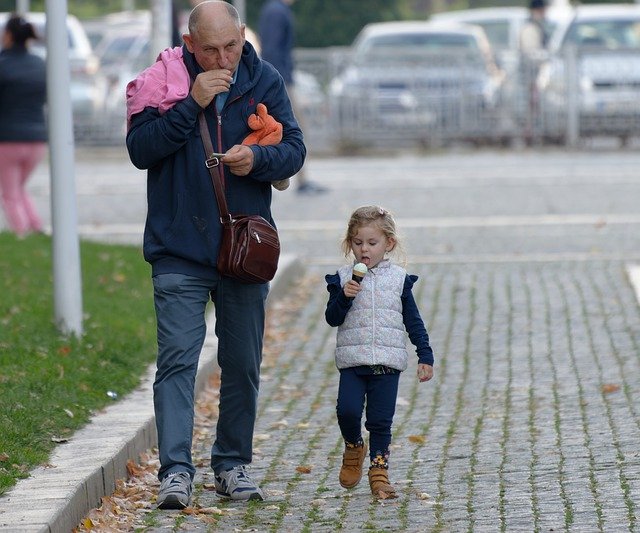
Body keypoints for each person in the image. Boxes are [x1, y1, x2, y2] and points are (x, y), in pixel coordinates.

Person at [126, 1, 305, 508]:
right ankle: (176, 472)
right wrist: (191, 105)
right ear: (190, 45)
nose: (223, 58)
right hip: (179, 247)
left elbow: (294, 148)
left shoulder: (262, 76)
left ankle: (231, 465)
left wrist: (259, 159)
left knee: (243, 362)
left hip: (244, 247)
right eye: (210, 50)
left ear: (243, 35)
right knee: (178, 361)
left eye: (231, 45)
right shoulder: (163, 81)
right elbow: (141, 150)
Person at [324, 205, 435, 499]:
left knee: (380, 421)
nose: (364, 250)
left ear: (389, 244)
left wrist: (425, 355)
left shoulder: (399, 280)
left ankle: (379, 471)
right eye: (358, 243)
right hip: (353, 362)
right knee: (347, 410)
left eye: (372, 243)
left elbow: (413, 320)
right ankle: (353, 446)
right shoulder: (342, 278)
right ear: (350, 243)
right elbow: (332, 318)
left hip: (387, 362)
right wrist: (344, 298)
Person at [258, 0, 326, 194]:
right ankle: (298, 180)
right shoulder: (276, 11)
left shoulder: (275, 9)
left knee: (284, 130)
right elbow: (272, 50)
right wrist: (279, 83)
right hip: (280, 81)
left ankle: (293, 178)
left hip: (280, 80)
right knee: (295, 129)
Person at [0, 15, 46, 237]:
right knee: (18, 188)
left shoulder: (2, 64)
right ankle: (36, 227)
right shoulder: (39, 64)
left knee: (9, 193)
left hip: (7, 140)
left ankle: (21, 234)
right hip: (37, 140)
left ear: (8, 35)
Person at [519, 0, 549, 142]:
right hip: (532, 73)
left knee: (535, 105)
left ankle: (533, 132)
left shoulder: (537, 27)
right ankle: (529, 133)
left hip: (535, 73)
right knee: (531, 105)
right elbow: (531, 53)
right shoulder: (530, 28)